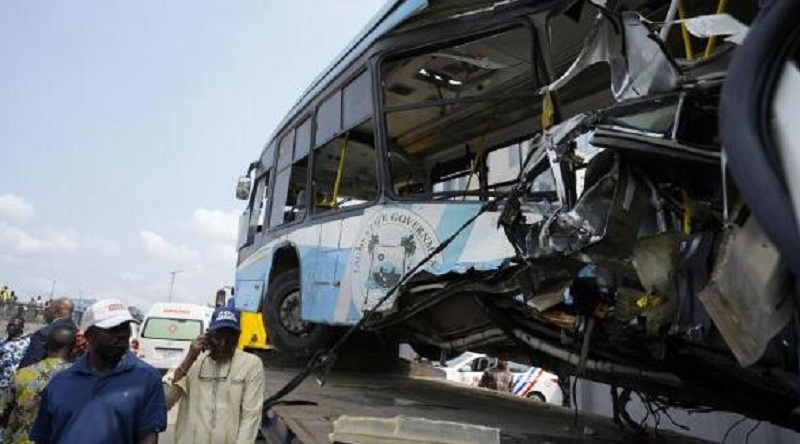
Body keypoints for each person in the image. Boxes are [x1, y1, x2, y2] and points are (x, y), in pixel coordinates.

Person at [30, 299, 167, 444]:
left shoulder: (146, 379)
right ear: (89, 335)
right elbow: (43, 437)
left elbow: (148, 436)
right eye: (112, 329)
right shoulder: (60, 383)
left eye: (125, 327)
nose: (121, 334)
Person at [163, 307, 264, 444]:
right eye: (219, 336)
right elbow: (164, 402)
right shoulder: (192, 360)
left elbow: (250, 416)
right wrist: (188, 361)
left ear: (239, 338)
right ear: (207, 336)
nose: (223, 344)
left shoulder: (251, 364)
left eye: (230, 339)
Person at [2, 323, 76, 443]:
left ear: (46, 345)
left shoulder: (23, 374)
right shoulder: (78, 378)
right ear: (74, 348)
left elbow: (3, 408)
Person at [18, 298, 75, 368]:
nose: (46, 311)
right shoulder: (78, 332)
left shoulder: (43, 333)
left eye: (48, 308)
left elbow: (28, 365)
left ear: (54, 311)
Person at [0, 318, 30, 390]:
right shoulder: (2, 341)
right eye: (9, 325)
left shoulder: (28, 341)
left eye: (14, 325)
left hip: (20, 382)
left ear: (21, 327)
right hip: (3, 381)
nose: (10, 327)